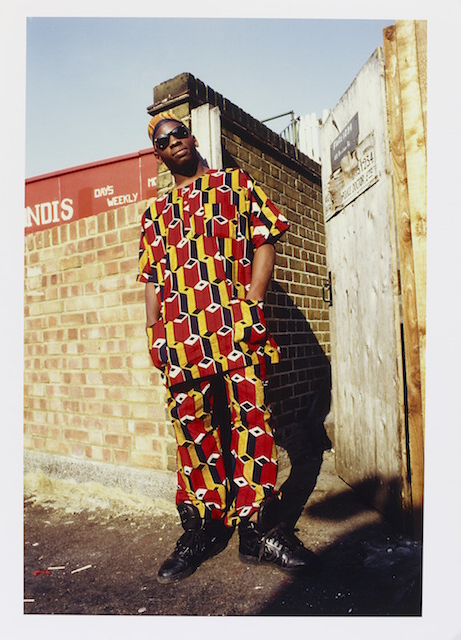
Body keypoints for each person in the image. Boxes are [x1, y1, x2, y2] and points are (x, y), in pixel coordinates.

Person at [137, 110, 317, 583]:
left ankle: (261, 533)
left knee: (252, 422)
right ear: (157, 153)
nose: (173, 141)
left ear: (192, 138)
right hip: (180, 337)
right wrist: (153, 330)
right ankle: (199, 529)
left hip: (234, 326)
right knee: (193, 431)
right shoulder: (154, 214)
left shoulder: (235, 184)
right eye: (162, 139)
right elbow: (153, 279)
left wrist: (253, 301)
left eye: (179, 133)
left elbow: (264, 239)